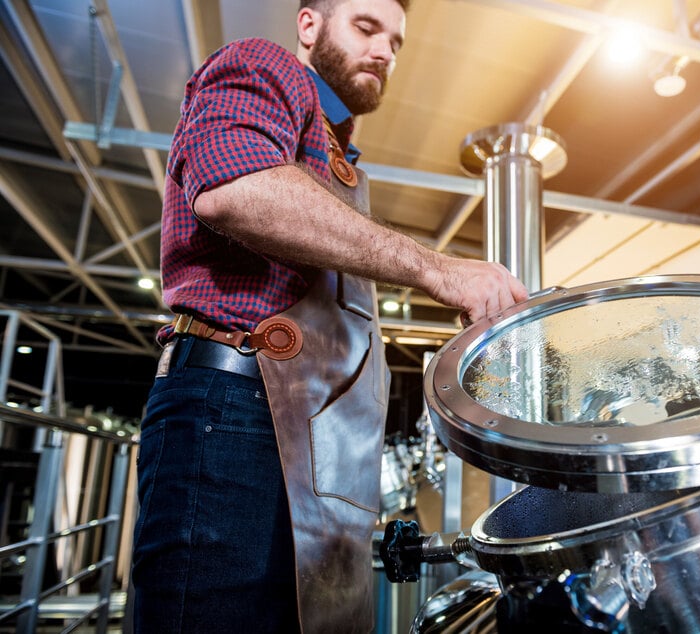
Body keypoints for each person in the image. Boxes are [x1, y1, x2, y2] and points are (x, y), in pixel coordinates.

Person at [131, 0, 528, 632]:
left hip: (304, 441)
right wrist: (439, 269)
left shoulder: (335, 152)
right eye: (366, 28)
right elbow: (236, 186)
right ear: (310, 26)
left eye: (395, 42)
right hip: (236, 412)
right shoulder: (264, 65)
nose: (383, 52)